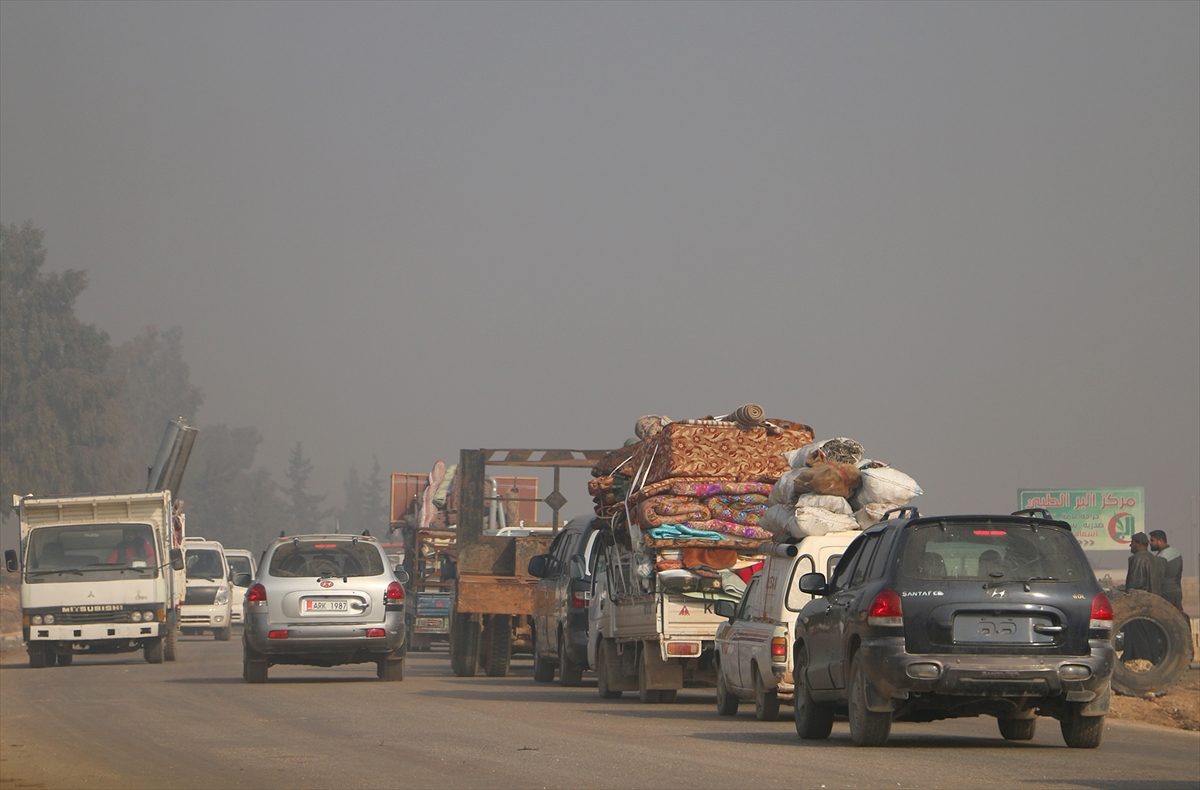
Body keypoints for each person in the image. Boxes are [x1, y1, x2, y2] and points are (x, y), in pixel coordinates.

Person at [1121, 532, 1164, 662]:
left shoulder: (1138, 558)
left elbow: (1135, 586)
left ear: (1138, 544)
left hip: (1139, 606)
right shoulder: (1155, 559)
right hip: (1153, 605)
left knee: (1138, 637)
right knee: (1149, 636)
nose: (1130, 545)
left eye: (1132, 542)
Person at [1149, 529, 1184, 611]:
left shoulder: (1162, 557)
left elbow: (1157, 578)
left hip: (1166, 594)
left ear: (1160, 541)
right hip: (1177, 592)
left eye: (1152, 540)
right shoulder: (1176, 553)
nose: (1150, 543)